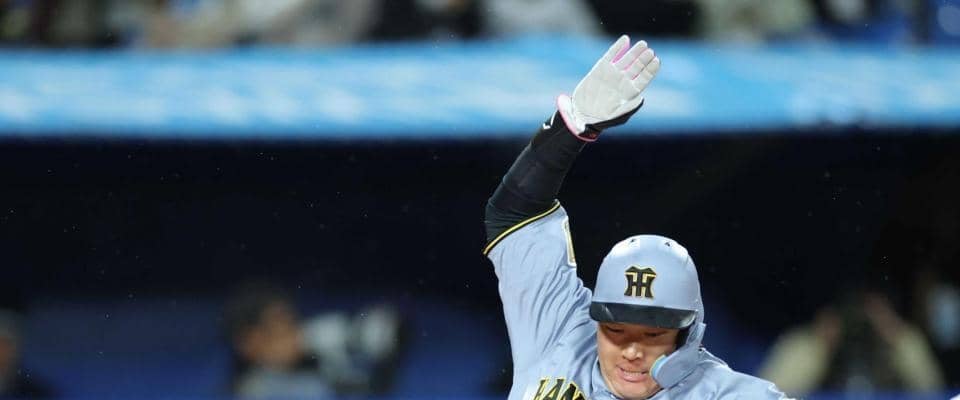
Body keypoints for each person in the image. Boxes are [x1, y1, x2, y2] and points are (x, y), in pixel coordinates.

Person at [482, 34, 789, 400]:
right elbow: (514, 212)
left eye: (653, 334)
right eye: (615, 329)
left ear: (687, 334)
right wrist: (571, 127)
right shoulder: (560, 331)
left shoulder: (728, 395)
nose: (631, 351)